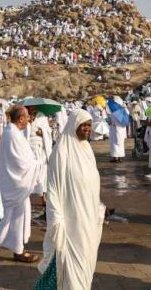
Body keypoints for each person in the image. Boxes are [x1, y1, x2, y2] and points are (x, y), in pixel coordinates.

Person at [35, 109, 105, 289]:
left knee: (87, 258)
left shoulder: (87, 149)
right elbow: (54, 188)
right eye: (83, 125)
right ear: (74, 126)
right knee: (73, 262)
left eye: (89, 126)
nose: (87, 129)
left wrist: (97, 209)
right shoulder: (61, 151)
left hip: (88, 218)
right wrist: (56, 219)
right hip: (71, 220)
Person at [0, 105, 40, 262]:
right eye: (28, 116)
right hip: (16, 182)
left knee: (12, 216)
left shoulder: (13, 132)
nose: (29, 119)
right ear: (21, 118)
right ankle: (18, 251)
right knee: (18, 217)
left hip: (15, 182)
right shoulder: (12, 134)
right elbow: (21, 162)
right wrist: (38, 164)